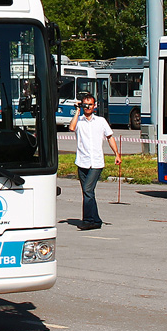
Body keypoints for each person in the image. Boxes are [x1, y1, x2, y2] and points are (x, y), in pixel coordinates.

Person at [69, 93, 121, 230]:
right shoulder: (79, 121)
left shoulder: (101, 121)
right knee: (88, 193)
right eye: (85, 104)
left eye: (90, 104)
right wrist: (77, 111)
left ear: (95, 106)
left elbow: (110, 137)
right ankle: (96, 220)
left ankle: (88, 220)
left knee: (87, 189)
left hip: (96, 163)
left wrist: (116, 154)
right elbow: (71, 128)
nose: (88, 107)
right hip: (82, 161)